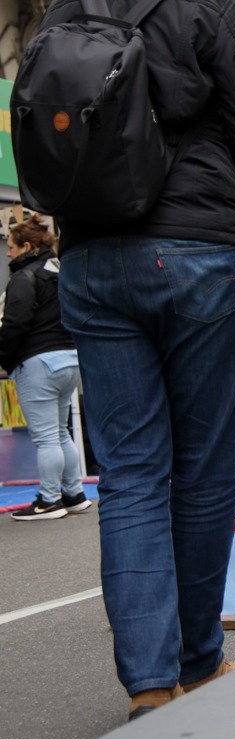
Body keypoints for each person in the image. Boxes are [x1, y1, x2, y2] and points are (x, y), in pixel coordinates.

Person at [48, 0, 235, 720]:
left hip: (91, 259)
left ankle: (148, 683)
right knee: (204, 469)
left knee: (132, 473)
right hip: (196, 254)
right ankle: (199, 658)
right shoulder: (217, 1)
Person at [0, 218, 90, 520]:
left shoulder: (25, 277)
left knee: (46, 437)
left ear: (27, 246)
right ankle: (74, 494)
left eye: (11, 247)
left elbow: (15, 323)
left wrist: (3, 357)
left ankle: (49, 500)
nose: (8, 254)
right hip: (70, 358)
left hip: (38, 363)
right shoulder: (62, 272)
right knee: (61, 433)